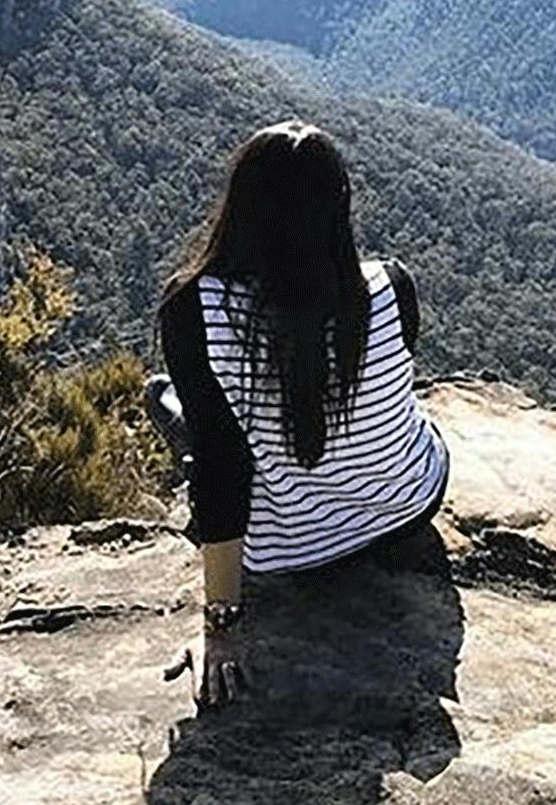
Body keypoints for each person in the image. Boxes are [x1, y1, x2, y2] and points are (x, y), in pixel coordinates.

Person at [146, 119, 451, 711]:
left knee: (180, 413)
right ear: (339, 208)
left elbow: (223, 471)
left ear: (239, 205)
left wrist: (223, 626)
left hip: (288, 551)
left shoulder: (194, 307)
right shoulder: (391, 283)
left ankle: (170, 409)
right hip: (409, 506)